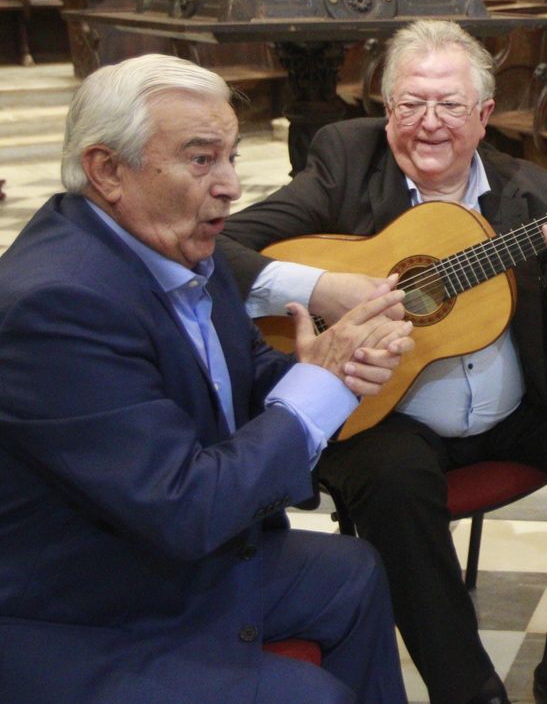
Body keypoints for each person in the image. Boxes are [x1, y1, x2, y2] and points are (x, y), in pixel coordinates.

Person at [219, 20, 547, 704]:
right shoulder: (344, 162)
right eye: (411, 103)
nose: (429, 123)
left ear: (484, 115)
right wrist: (325, 288)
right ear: (386, 109)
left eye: (449, 105)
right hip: (384, 415)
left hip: (515, 409)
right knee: (392, 477)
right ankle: (469, 689)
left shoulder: (536, 192)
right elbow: (219, 248)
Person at [0, 54, 413, 704]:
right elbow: (184, 509)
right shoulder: (56, 306)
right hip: (79, 609)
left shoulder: (182, 246)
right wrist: (318, 386)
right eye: (201, 160)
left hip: (159, 557)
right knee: (309, 696)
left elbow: (247, 380)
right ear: (106, 170)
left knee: (352, 572)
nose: (230, 186)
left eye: (231, 157)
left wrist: (336, 368)